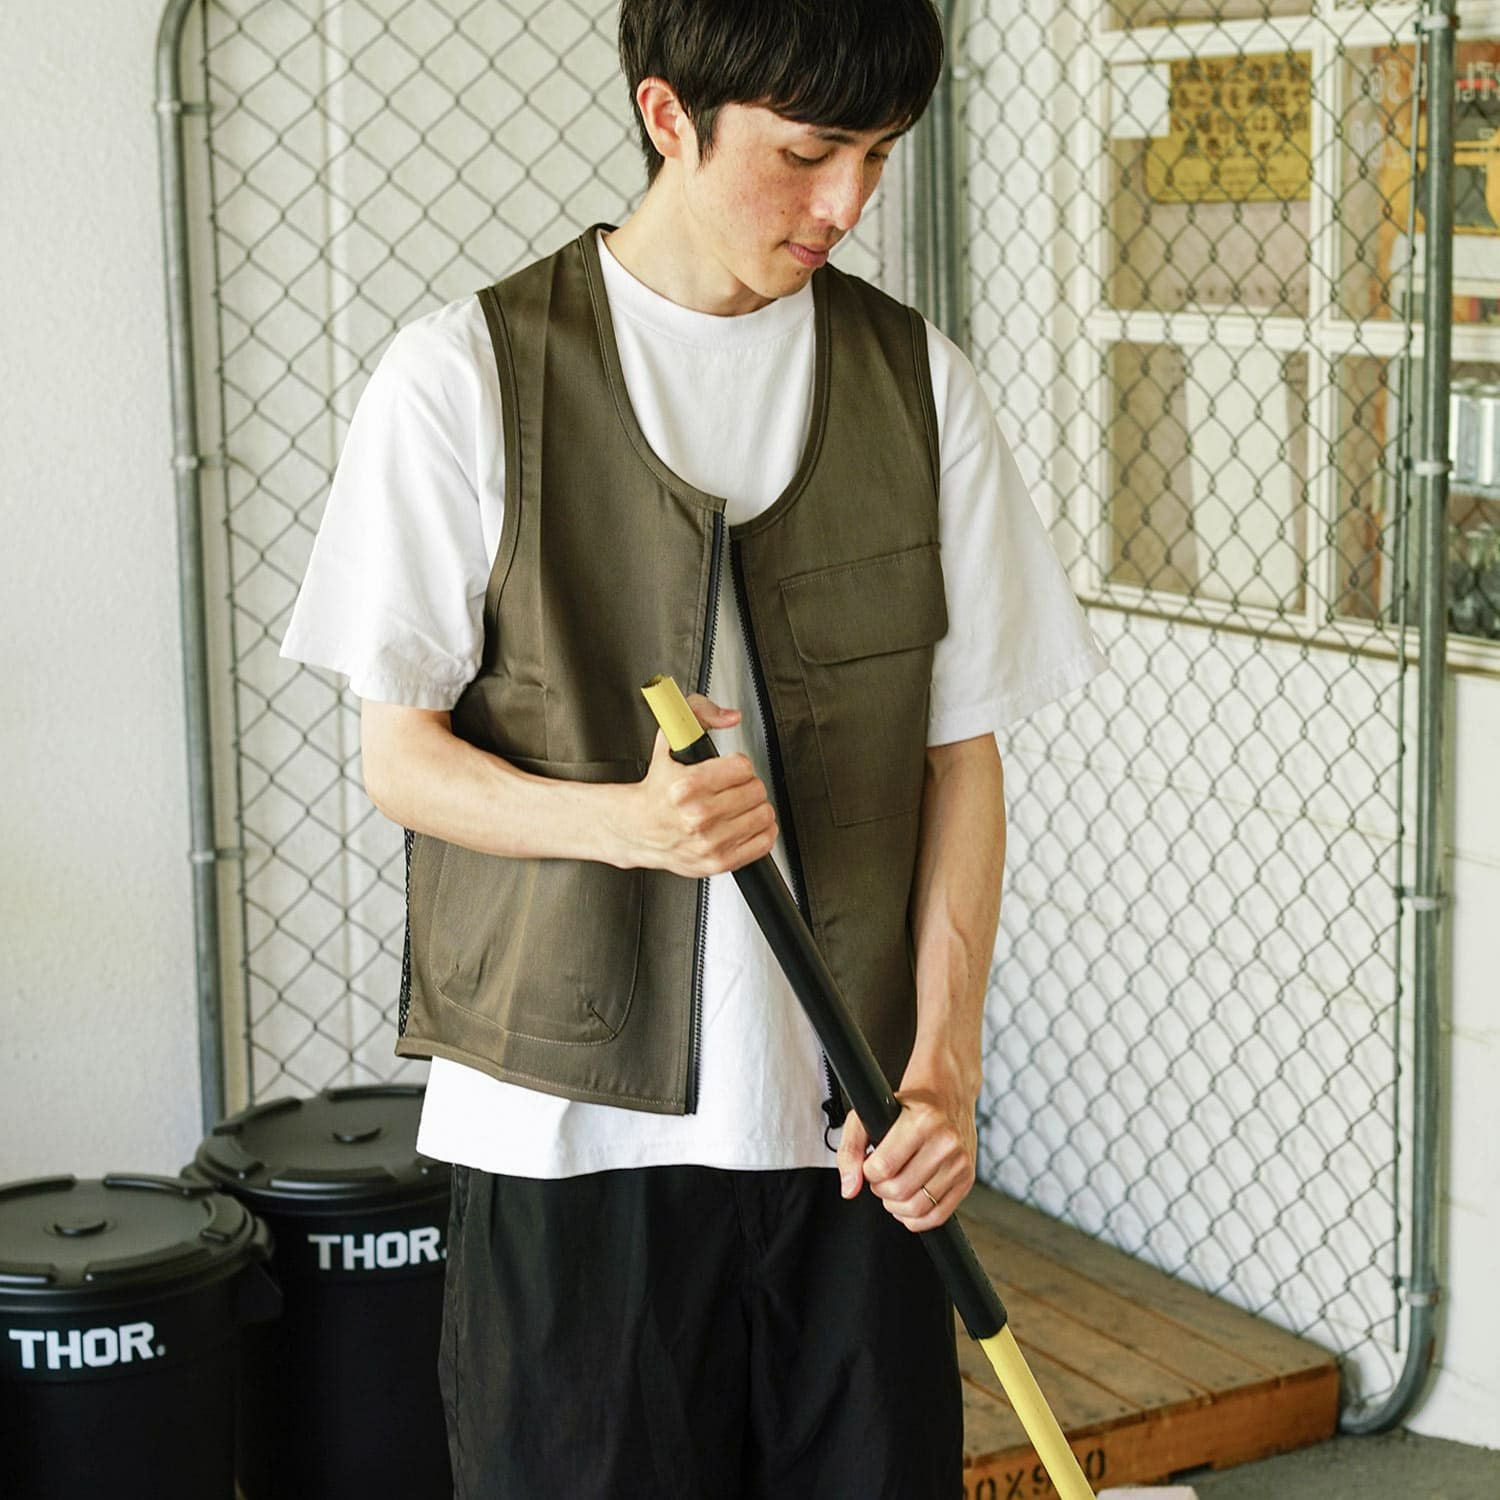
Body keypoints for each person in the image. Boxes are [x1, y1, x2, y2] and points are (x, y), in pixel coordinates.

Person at [282, 1, 1105, 1493]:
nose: (847, 202)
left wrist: (945, 1068)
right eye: (808, 153)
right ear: (670, 116)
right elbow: (400, 759)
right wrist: (628, 824)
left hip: (849, 1134)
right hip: (563, 1140)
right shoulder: (461, 374)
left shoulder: (921, 384)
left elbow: (959, 760)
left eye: (879, 155)